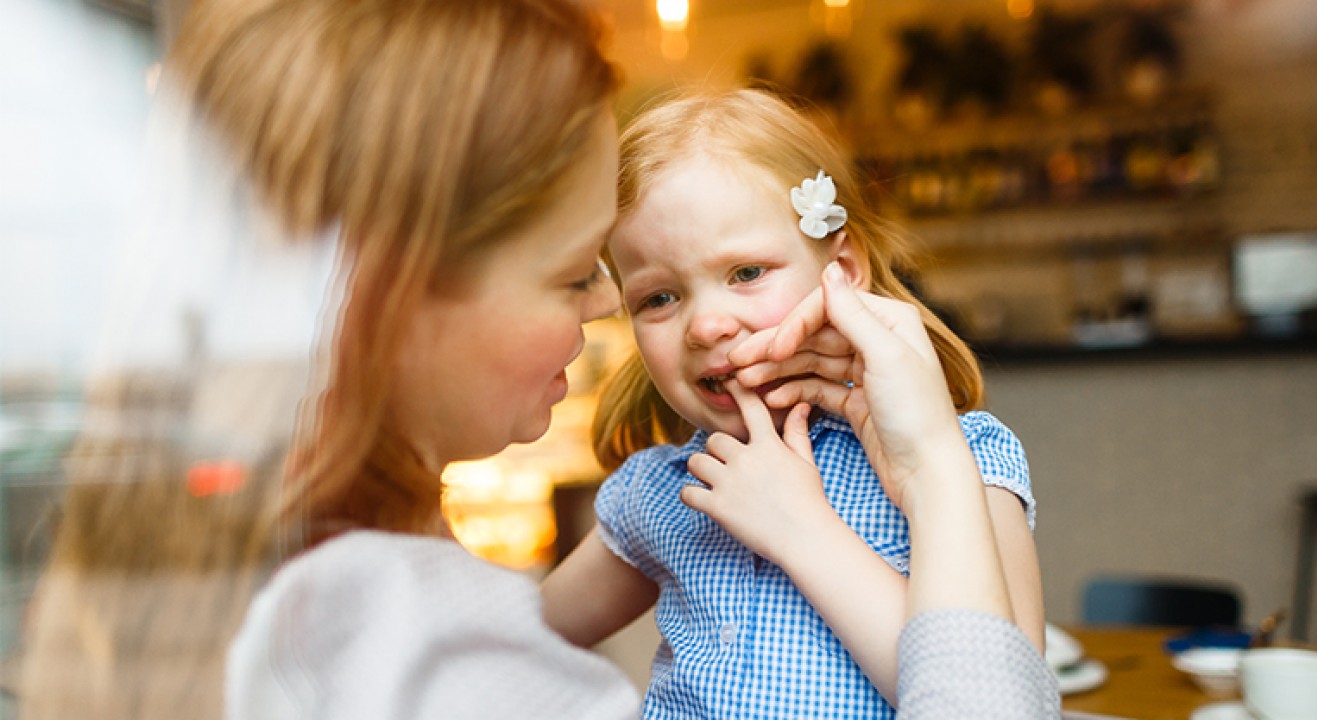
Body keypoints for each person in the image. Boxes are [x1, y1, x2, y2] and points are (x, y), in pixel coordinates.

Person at [17, 0, 1058, 718]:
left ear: (845, 265)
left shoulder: (303, 600)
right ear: (396, 294)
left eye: (745, 272)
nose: (624, 308)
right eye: (587, 276)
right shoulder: (618, 527)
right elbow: (535, 639)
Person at [541, 88, 1045, 717]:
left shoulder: (965, 459)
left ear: (844, 269)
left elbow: (1009, 695)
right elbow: (511, 646)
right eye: (658, 298)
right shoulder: (662, 491)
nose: (705, 326)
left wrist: (802, 530)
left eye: (746, 273)